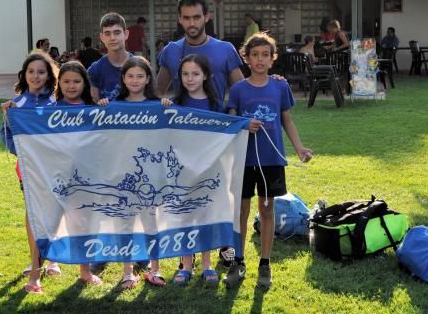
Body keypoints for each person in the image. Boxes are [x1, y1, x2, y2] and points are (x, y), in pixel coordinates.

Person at [225, 33, 312, 290]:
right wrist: (244, 124)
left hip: (272, 160)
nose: (260, 59)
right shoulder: (239, 89)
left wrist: (299, 148)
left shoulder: (280, 86)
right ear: (246, 58)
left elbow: (286, 120)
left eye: (265, 54)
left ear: (273, 58)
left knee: (266, 210)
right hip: (243, 160)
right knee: (240, 211)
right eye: (255, 55)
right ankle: (237, 261)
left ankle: (265, 263)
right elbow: (231, 121)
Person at [97, 56, 161, 290]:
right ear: (123, 78)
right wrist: (103, 109)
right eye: (130, 75)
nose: (135, 80)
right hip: (123, 177)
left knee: (151, 224)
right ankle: (127, 272)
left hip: (149, 179)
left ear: (147, 79)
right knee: (124, 224)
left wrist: (167, 108)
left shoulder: (157, 105)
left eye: (140, 76)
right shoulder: (113, 105)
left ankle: (155, 269)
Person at [0, 52, 61, 294]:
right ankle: (35, 262)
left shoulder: (56, 102)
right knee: (33, 214)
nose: (36, 76)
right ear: (24, 75)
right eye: (31, 72)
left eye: (41, 72)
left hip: (54, 169)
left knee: (54, 213)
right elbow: (6, 133)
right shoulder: (16, 104)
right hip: (28, 169)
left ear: (49, 76)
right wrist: (23, 152)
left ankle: (53, 259)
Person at [161, 54, 221, 285]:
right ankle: (186, 263)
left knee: (205, 215)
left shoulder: (216, 105)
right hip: (182, 172)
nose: (190, 78)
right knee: (185, 216)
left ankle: (207, 263)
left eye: (195, 73)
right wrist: (164, 108)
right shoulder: (175, 104)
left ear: (205, 75)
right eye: (185, 74)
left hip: (208, 171)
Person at [52, 61, 103, 285]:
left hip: (87, 176)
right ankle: (50, 261)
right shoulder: (50, 112)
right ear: (59, 84)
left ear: (85, 83)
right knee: (53, 219)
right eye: (66, 81)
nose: (71, 86)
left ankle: (85, 270)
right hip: (59, 176)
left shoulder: (95, 110)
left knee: (84, 221)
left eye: (76, 81)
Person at [157, 0, 243, 105]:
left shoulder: (226, 49)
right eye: (186, 18)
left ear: (206, 17)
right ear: (180, 19)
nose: (192, 23)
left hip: (214, 119)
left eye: (196, 17)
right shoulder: (170, 50)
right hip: (181, 120)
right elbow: (157, 92)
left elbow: (242, 92)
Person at [87, 13, 132, 102]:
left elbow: (151, 100)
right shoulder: (95, 69)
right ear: (102, 37)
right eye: (107, 33)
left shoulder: (141, 66)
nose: (112, 38)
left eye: (117, 33)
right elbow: (93, 105)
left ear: (126, 34)